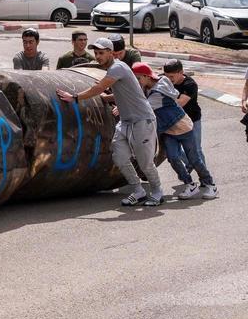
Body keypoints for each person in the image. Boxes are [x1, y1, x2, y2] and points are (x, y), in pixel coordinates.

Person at [56, 38, 163, 206]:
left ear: (111, 53)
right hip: (126, 122)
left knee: (145, 163)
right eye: (96, 53)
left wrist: (75, 98)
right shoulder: (112, 70)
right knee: (119, 157)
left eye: (101, 53)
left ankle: (157, 192)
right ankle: (138, 191)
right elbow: (122, 91)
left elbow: (99, 87)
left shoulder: (118, 67)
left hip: (143, 121)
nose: (98, 56)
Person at [132, 62, 217, 201]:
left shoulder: (157, 94)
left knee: (194, 158)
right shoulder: (156, 82)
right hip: (168, 130)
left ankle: (210, 185)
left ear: (146, 76)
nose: (137, 81)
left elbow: (142, 109)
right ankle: (190, 184)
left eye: (138, 78)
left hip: (183, 127)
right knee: (173, 158)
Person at [162, 60, 206, 169]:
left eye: (172, 76)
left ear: (181, 72)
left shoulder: (190, 85)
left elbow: (179, 103)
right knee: (171, 150)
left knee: (196, 149)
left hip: (192, 120)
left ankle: (205, 178)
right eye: (166, 76)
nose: (169, 80)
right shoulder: (163, 80)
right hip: (173, 121)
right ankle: (190, 164)